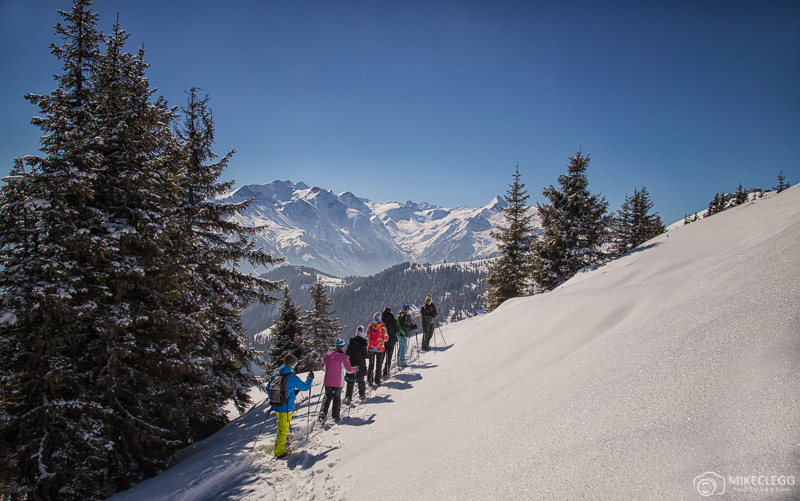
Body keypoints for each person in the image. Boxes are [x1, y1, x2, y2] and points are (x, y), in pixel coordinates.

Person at [266, 354, 314, 459]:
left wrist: (276, 397)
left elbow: (267, 387)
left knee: (282, 424)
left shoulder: (276, 374)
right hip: (286, 407)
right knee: (282, 429)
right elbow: (305, 387)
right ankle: (279, 452)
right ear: (293, 364)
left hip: (276, 405)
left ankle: (284, 440)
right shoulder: (291, 377)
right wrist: (310, 379)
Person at [319, 338, 357, 424]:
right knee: (336, 398)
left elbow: (323, 367)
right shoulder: (343, 356)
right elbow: (349, 370)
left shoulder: (327, 354)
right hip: (338, 381)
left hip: (328, 379)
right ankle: (335, 416)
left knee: (327, 396)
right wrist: (355, 369)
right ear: (342, 346)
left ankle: (323, 413)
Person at [345, 326, 369, 404]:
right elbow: (365, 355)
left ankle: (348, 397)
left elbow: (347, 353)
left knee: (350, 381)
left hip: (351, 363)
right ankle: (362, 395)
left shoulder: (351, 342)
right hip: (360, 364)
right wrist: (370, 354)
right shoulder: (363, 343)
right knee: (361, 380)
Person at [366, 312, 388, 387]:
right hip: (380, 348)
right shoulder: (382, 327)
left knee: (371, 364)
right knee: (379, 364)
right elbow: (385, 338)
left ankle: (369, 380)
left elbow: (367, 336)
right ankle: (377, 380)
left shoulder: (370, 326)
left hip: (371, 348)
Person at [382, 307, 399, 377]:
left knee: (381, 357)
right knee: (389, 356)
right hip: (391, 340)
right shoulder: (393, 320)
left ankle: (377, 371)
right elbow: (397, 330)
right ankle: (385, 372)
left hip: (382, 341)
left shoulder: (381, 320)